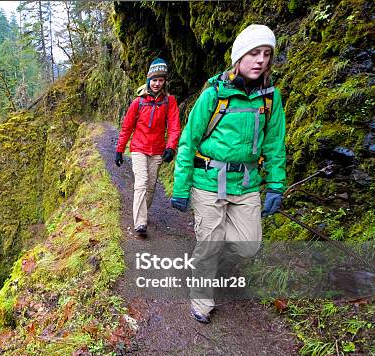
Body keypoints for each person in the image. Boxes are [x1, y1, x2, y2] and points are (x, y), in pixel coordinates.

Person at [171, 25, 286, 323]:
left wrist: (275, 185)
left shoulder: (270, 99)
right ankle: (201, 299)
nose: (260, 60)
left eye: (266, 54)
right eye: (253, 53)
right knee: (209, 243)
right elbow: (188, 142)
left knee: (248, 246)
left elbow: (274, 144)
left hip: (246, 184)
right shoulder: (214, 95)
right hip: (208, 181)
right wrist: (181, 188)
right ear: (239, 57)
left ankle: (206, 262)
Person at [115, 58, 181, 237]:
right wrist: (120, 149)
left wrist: (171, 147)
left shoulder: (169, 101)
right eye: (154, 80)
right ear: (148, 80)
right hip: (138, 148)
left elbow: (174, 126)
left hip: (158, 150)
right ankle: (140, 222)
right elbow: (127, 126)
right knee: (142, 183)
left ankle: (142, 210)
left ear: (165, 81)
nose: (157, 83)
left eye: (161, 80)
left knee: (151, 187)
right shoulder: (139, 102)